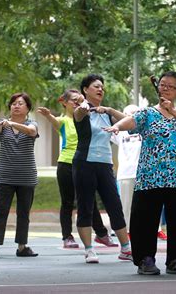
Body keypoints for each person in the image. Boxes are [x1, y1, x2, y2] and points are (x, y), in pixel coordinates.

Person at [104, 71, 176, 275]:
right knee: (145, 221)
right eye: (162, 85)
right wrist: (116, 126)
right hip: (150, 176)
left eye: (170, 86)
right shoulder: (147, 113)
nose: (164, 88)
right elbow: (130, 121)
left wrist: (173, 111)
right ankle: (145, 260)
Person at [37, 89, 118, 249]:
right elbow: (54, 122)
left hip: (85, 162)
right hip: (67, 163)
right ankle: (67, 236)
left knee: (90, 201)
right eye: (74, 100)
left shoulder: (86, 117)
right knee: (67, 202)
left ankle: (101, 234)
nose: (77, 102)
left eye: (80, 100)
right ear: (64, 102)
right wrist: (47, 115)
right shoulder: (63, 121)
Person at [72, 74, 132, 264]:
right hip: (84, 164)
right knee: (86, 207)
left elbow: (132, 121)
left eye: (102, 87)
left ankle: (126, 249)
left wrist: (110, 109)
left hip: (105, 165)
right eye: (96, 86)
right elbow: (79, 114)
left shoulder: (107, 113)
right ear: (85, 90)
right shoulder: (81, 110)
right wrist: (83, 107)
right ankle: (89, 250)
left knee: (115, 205)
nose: (100, 89)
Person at [0, 92, 39, 258]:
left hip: (27, 177)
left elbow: (31, 132)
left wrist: (11, 123)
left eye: (20, 103)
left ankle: (22, 246)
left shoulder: (32, 124)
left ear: (27, 108)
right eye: (13, 103)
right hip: (5, 176)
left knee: (24, 213)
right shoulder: (2, 125)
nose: (16, 106)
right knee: (1, 212)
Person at [111, 104, 168, 241]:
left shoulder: (146, 129)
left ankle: (157, 229)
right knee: (126, 204)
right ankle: (128, 231)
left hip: (146, 171)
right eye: (127, 113)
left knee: (152, 203)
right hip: (126, 172)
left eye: (134, 113)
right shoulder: (119, 131)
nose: (130, 116)